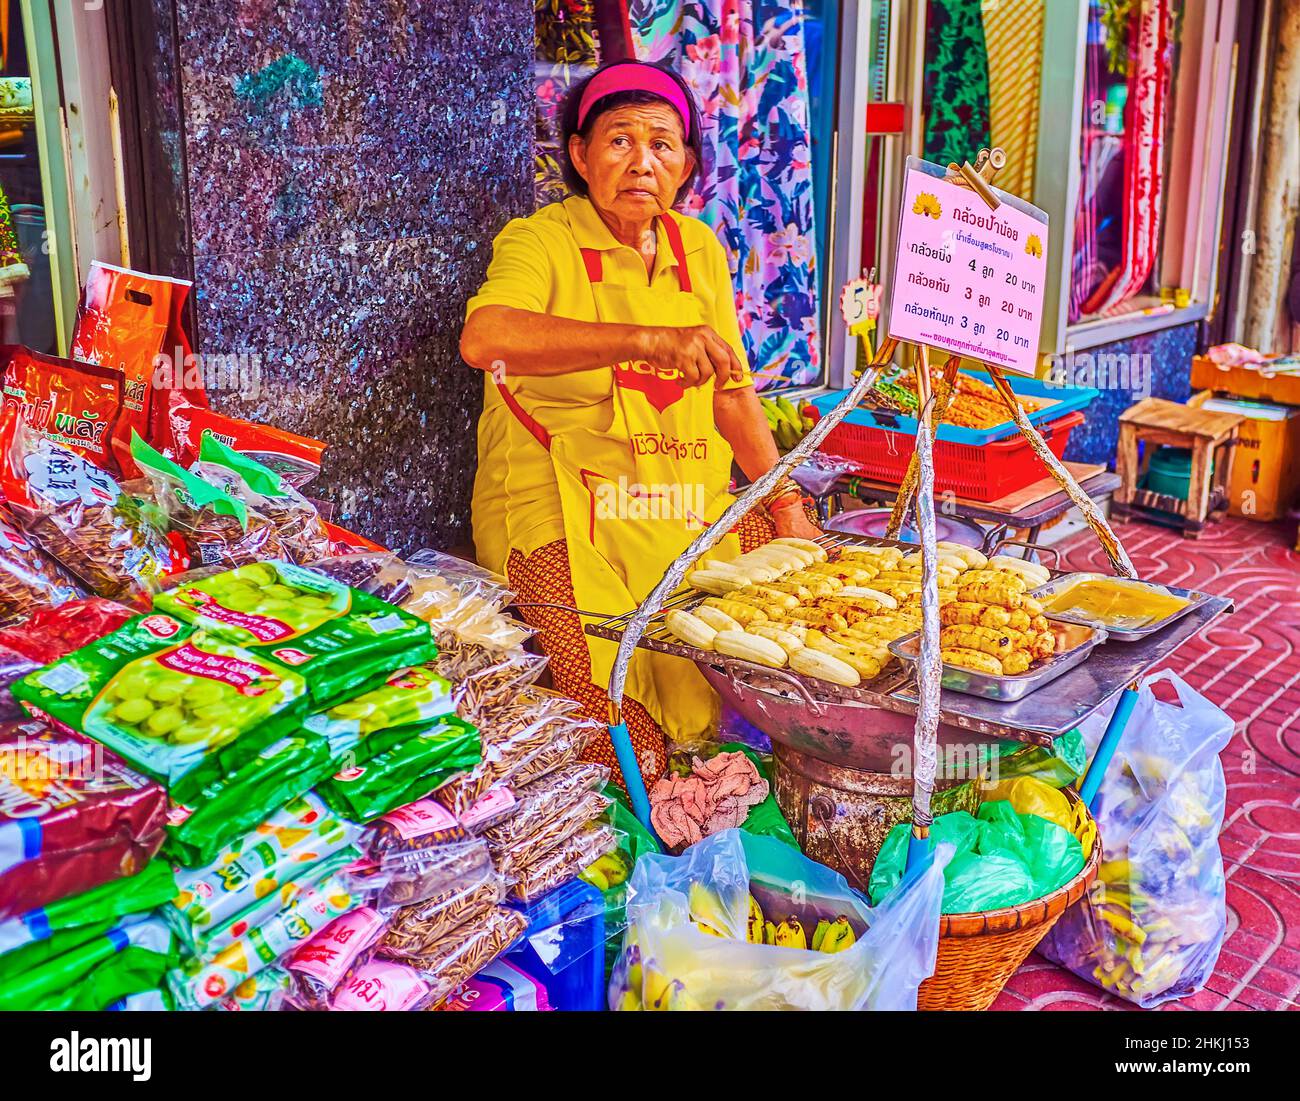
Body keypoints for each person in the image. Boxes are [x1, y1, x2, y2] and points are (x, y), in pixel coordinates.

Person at [461, 59, 819, 787]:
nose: (641, 162)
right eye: (618, 140)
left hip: (674, 492)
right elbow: (485, 338)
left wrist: (788, 504)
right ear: (579, 154)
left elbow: (733, 397)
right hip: (558, 502)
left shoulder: (700, 251)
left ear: (687, 163)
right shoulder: (540, 240)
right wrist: (643, 340)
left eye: (661, 144)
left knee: (788, 622)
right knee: (623, 740)